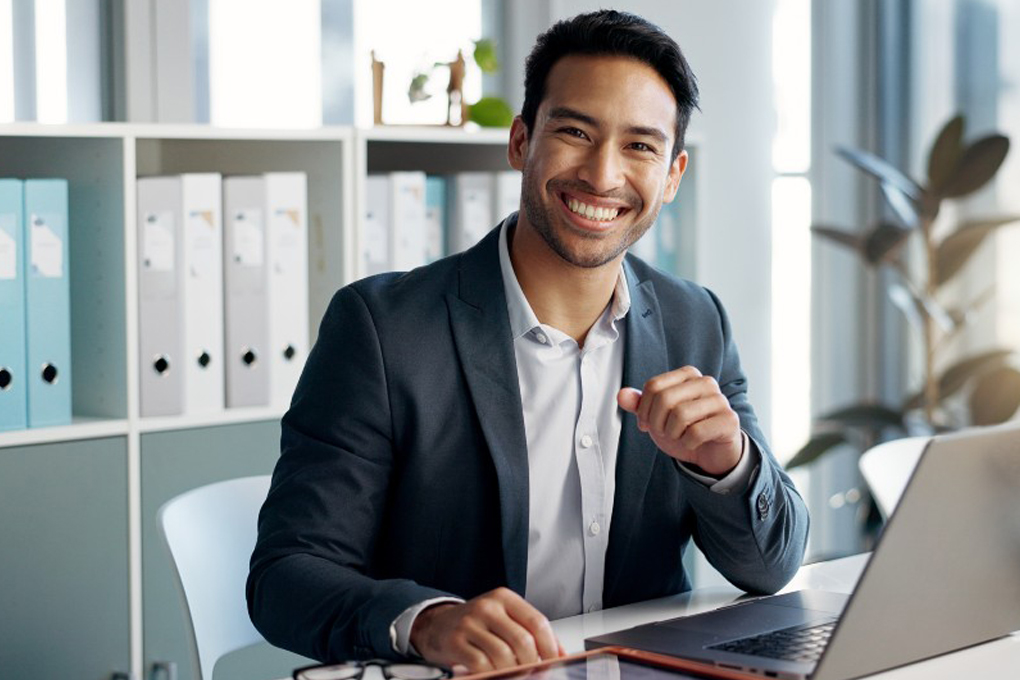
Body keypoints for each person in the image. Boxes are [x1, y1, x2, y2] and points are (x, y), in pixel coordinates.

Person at [248, 9, 809, 675]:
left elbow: (771, 567)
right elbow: (286, 576)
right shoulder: (382, 328)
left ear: (673, 174)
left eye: (640, 147)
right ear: (521, 141)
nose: (602, 176)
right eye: (575, 131)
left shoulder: (696, 322)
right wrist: (429, 622)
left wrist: (728, 466)